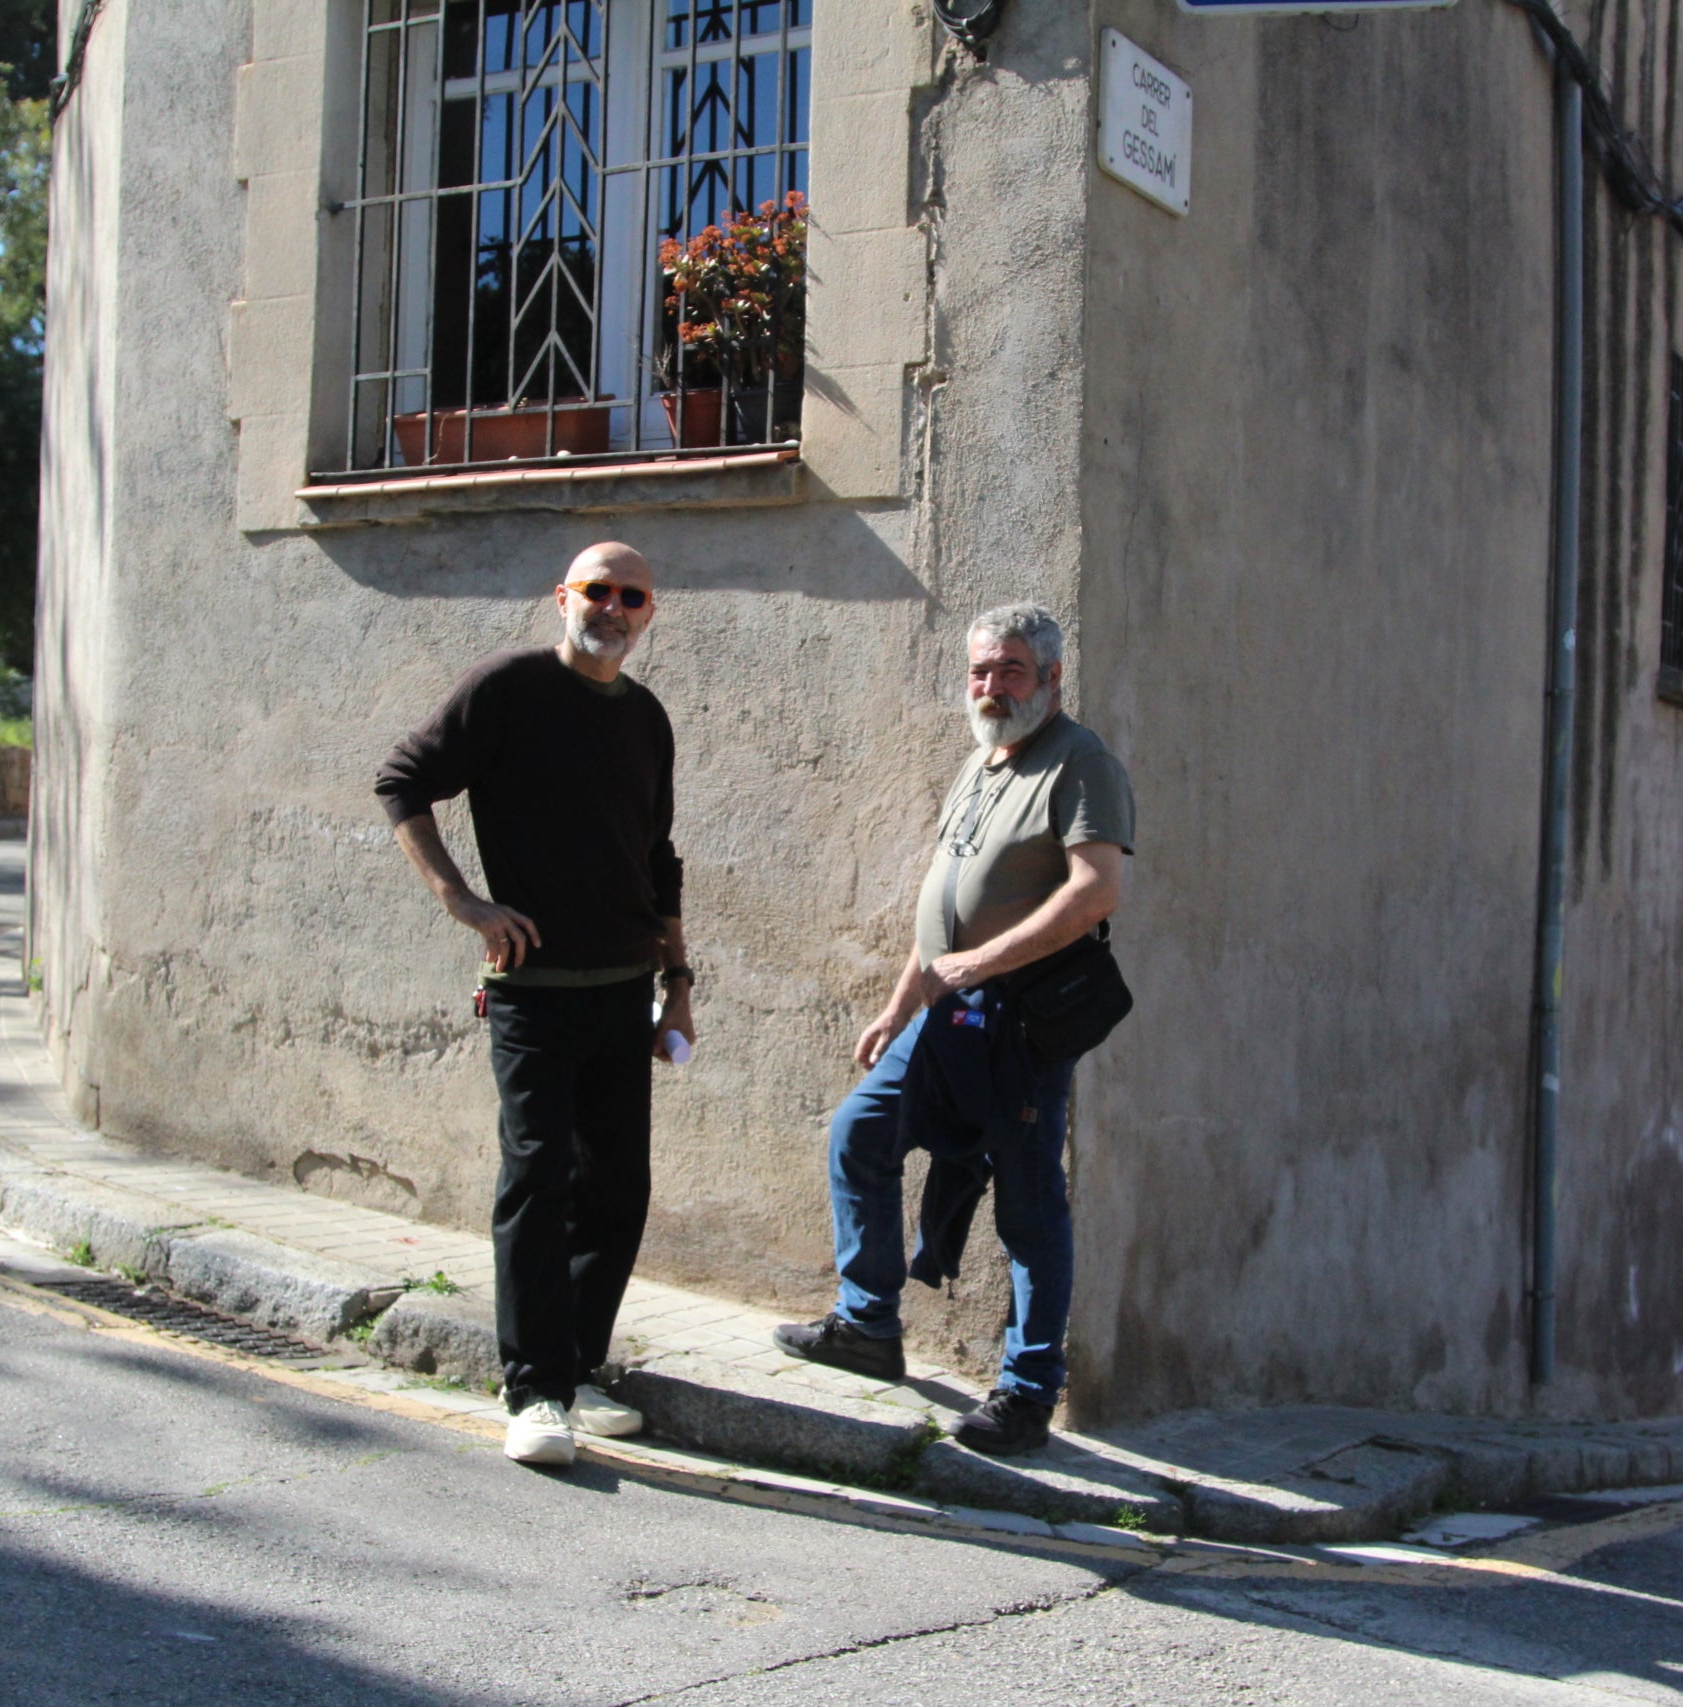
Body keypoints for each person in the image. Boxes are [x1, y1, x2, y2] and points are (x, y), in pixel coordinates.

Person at [775, 603, 1134, 1456]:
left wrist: (979, 964)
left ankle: (1027, 1390)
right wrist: (900, 1004)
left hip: (1019, 1020)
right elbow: (943, 911)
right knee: (859, 1134)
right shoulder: (981, 762)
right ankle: (869, 1323)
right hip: (946, 1012)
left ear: (1051, 677)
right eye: (980, 671)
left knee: (1027, 1200)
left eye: (1009, 670)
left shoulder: (1081, 763)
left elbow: (1093, 892)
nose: (990, 685)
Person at [374, 543, 695, 1467]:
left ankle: (577, 1367)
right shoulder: (507, 688)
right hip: (533, 999)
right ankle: (534, 1390)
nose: (616, 608)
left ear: (648, 612)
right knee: (536, 1180)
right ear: (564, 598)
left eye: (634, 595)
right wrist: (463, 902)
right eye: (599, 590)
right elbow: (402, 780)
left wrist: (677, 985)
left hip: (623, 994)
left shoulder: (647, 719)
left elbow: (658, 857)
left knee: (617, 1191)